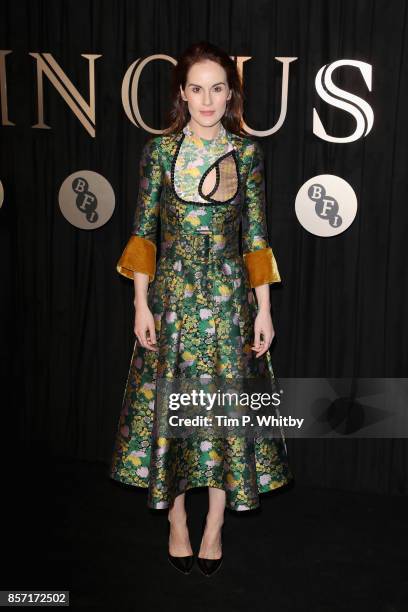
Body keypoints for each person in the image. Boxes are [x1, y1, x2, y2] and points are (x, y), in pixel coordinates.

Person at [109, 40, 294, 576]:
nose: (207, 99)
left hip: (230, 302)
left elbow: (256, 239)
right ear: (182, 95)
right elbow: (144, 234)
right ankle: (177, 522)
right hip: (173, 305)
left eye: (217, 88)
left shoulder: (248, 154)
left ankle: (214, 525)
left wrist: (264, 310)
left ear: (230, 93)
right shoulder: (159, 152)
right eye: (197, 88)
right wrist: (140, 303)